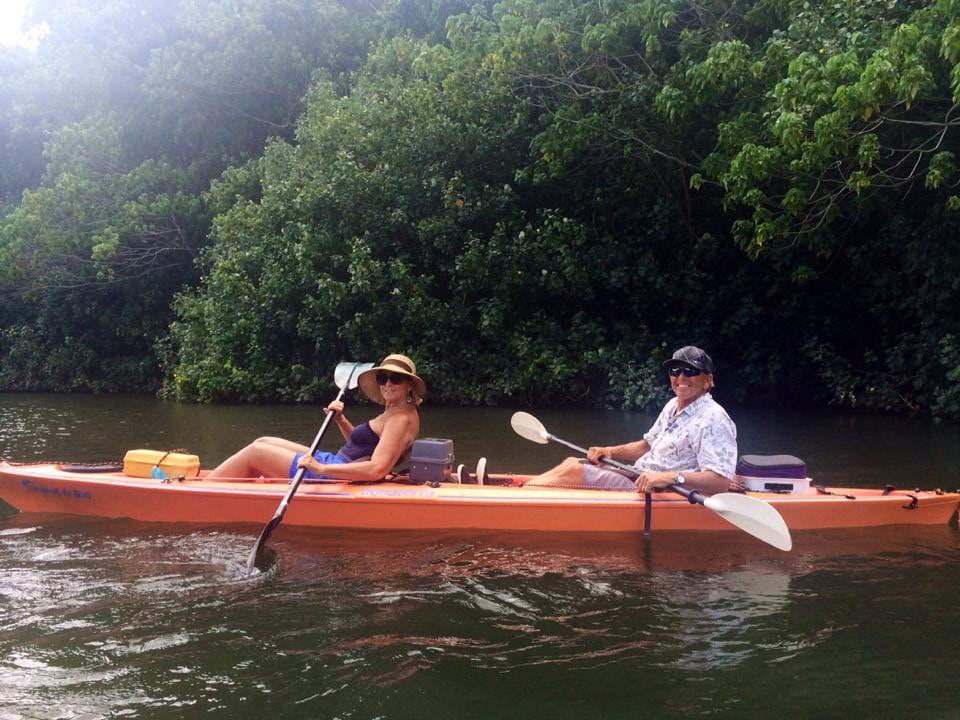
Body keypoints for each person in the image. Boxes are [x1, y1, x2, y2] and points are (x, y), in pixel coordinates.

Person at [526, 346, 736, 495]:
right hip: (640, 476)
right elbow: (647, 445)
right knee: (573, 462)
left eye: (690, 371)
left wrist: (670, 477)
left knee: (573, 471)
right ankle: (524, 492)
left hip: (661, 490)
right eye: (675, 370)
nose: (680, 377)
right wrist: (610, 451)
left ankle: (522, 498)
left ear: (707, 380)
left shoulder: (713, 418)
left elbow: (720, 482)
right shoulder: (673, 405)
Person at [205, 354, 425, 482]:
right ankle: (230, 485)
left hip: (332, 473)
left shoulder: (400, 420)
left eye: (395, 378)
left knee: (255, 453)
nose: (388, 384)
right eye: (383, 378)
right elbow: (361, 447)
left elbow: (377, 469)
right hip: (335, 462)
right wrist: (341, 420)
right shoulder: (396, 411)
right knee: (263, 441)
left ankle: (203, 490)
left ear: (409, 385)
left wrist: (320, 469)